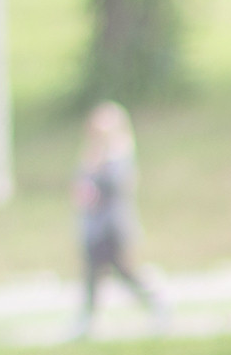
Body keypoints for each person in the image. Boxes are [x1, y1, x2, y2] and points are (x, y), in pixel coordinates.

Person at [70, 101, 166, 338]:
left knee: (123, 271)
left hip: (113, 227)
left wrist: (98, 172)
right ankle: (86, 321)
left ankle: (156, 303)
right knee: (92, 275)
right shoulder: (91, 154)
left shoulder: (119, 153)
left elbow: (117, 186)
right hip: (94, 227)